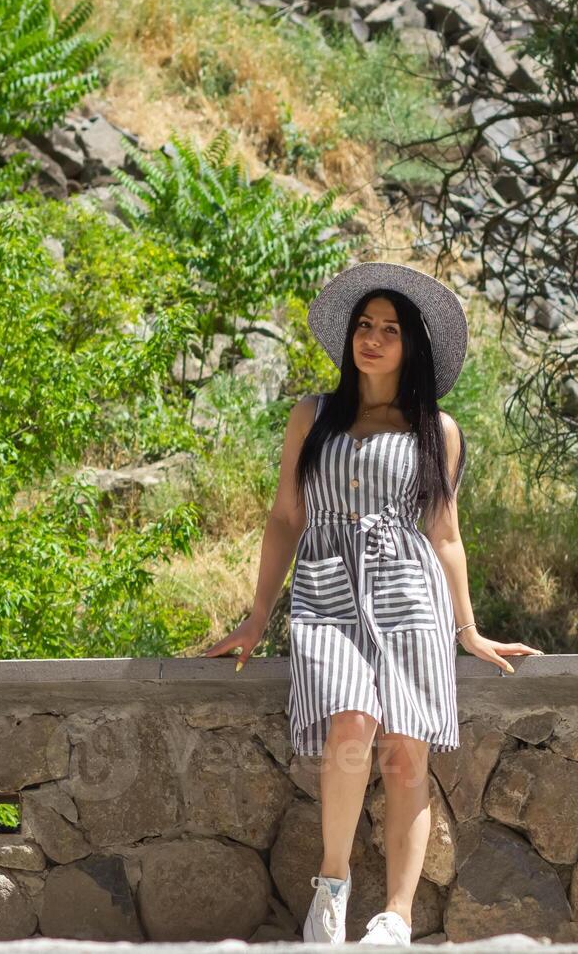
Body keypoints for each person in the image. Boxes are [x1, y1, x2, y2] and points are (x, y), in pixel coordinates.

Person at [200, 261, 542, 945]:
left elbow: (444, 535)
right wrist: (257, 614)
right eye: (364, 325)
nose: (373, 338)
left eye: (389, 329)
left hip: (408, 592)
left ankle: (397, 916)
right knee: (351, 723)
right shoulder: (313, 415)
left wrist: (467, 629)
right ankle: (331, 890)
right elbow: (283, 519)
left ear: (410, 346)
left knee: (405, 754)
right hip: (325, 586)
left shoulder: (434, 430)